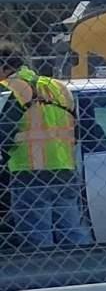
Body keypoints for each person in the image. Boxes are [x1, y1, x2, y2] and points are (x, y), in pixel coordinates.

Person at [2, 47, 88, 249]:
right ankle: (84, 271)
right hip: (65, 168)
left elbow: (4, 131)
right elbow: (79, 126)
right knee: (72, 231)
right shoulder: (58, 86)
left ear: (4, 67)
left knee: (37, 237)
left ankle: (45, 276)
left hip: (29, 170)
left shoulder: (10, 88)